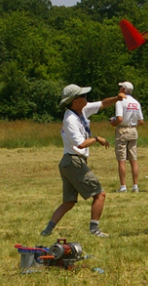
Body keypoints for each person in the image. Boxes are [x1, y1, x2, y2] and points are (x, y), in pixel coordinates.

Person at [41, 84, 124, 239]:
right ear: (74, 101)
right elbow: (80, 144)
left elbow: (102, 104)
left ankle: (46, 231)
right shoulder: (70, 119)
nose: (86, 98)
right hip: (74, 161)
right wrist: (97, 138)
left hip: (68, 162)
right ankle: (95, 230)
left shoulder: (81, 110)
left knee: (69, 202)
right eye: (83, 96)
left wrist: (117, 98)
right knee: (100, 194)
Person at [110, 81, 144, 193]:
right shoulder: (136, 102)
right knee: (133, 160)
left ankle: (123, 186)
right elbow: (141, 121)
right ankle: (135, 186)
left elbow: (119, 118)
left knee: (122, 160)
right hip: (133, 130)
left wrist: (113, 122)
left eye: (120, 87)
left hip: (123, 130)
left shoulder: (120, 101)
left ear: (123, 90)